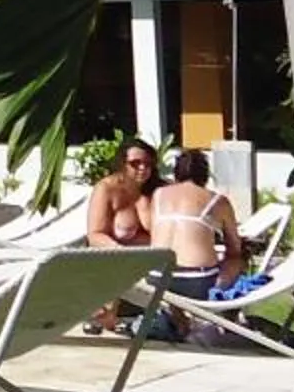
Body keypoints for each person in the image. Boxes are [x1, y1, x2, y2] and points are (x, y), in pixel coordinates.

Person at [83, 138, 158, 333]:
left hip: (154, 259)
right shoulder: (107, 189)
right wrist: (121, 251)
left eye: (148, 164)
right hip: (117, 257)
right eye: (135, 163)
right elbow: (95, 234)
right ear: (122, 164)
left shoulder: (158, 191)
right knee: (116, 263)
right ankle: (106, 315)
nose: (143, 168)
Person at [149, 150, 244, 297]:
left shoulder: (158, 195)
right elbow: (234, 248)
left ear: (176, 173)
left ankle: (177, 315)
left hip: (156, 277)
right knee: (236, 260)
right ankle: (219, 296)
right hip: (196, 280)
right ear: (205, 174)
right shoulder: (217, 201)